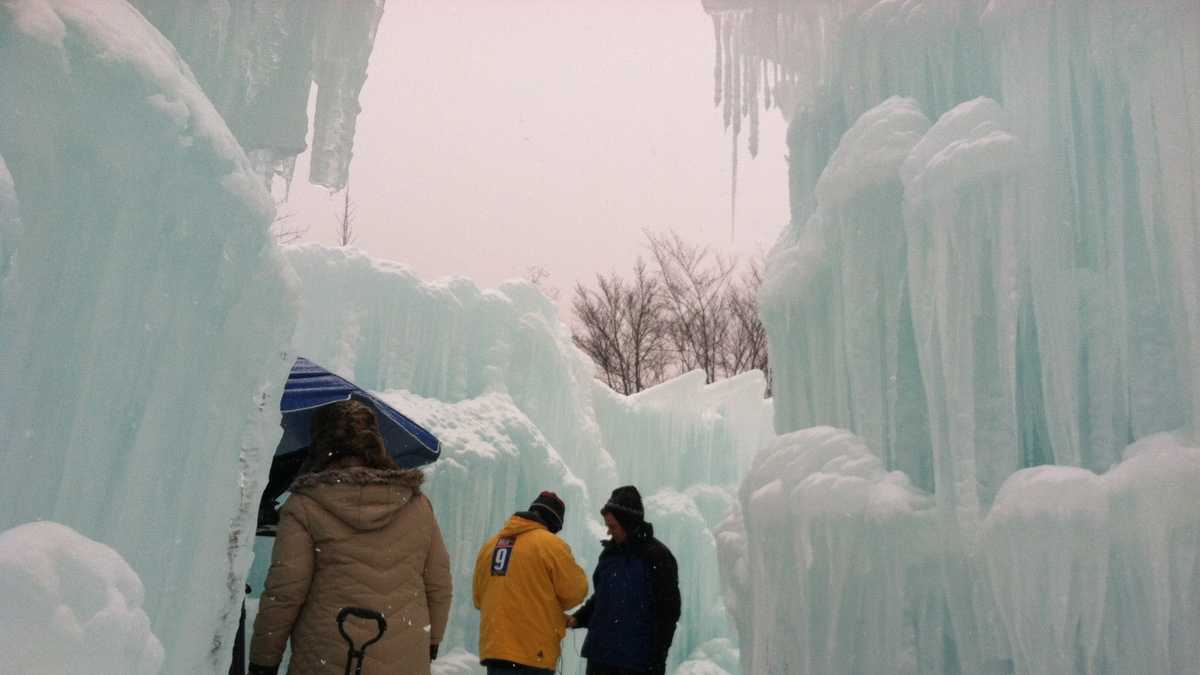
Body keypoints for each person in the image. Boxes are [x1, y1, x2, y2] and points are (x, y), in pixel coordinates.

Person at [247, 400, 453, 675]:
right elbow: (438, 585)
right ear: (376, 444)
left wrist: (264, 661)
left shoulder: (305, 505)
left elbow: (285, 592)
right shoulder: (416, 505)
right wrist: (433, 640)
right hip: (405, 654)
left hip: (330, 655)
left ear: (320, 444)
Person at [568, 486, 681, 675]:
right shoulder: (609, 555)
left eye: (612, 526)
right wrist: (578, 618)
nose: (608, 532)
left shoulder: (657, 556)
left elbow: (668, 613)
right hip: (600, 658)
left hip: (636, 663)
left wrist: (657, 659)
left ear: (628, 523)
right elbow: (603, 598)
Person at [473, 491, 589, 675]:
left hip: (495, 651)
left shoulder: (490, 546)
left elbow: (479, 599)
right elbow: (576, 592)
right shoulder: (550, 544)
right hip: (532, 653)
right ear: (553, 523)